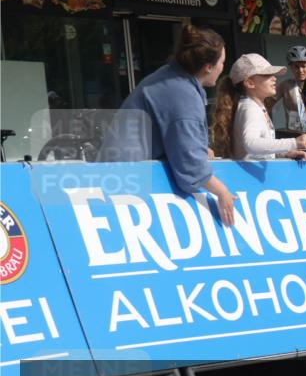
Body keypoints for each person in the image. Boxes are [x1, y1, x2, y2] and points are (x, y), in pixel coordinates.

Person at [99, 24, 237, 225]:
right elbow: (191, 170)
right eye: (222, 62)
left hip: (118, 175)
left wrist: (197, 148)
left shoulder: (171, 77)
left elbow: (175, 139)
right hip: (124, 186)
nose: (223, 67)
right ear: (208, 67)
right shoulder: (184, 95)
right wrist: (222, 192)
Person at [212, 54, 306, 162]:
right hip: (248, 177)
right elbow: (251, 144)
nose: (274, 78)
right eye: (267, 74)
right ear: (250, 83)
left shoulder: (254, 106)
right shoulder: (250, 108)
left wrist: (285, 154)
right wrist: (294, 142)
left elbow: (259, 150)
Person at [271, 45, 306, 138]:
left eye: (304, 66)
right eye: (296, 66)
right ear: (290, 67)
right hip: (293, 135)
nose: (300, 70)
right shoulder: (285, 85)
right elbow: (267, 103)